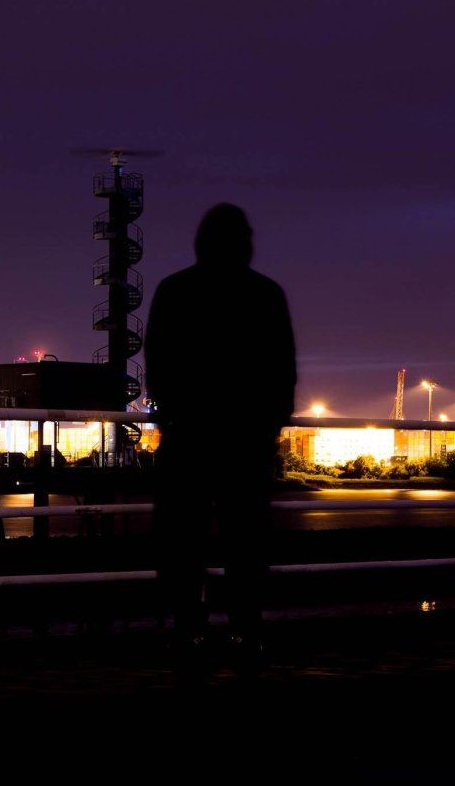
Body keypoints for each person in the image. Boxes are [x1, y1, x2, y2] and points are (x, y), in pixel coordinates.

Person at [143, 202, 297, 679]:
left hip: (188, 440)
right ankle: (246, 633)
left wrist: (172, 418)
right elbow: (283, 371)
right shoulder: (267, 294)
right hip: (245, 443)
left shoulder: (174, 291)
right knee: (246, 545)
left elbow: (157, 365)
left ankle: (188, 629)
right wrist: (267, 427)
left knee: (182, 544)